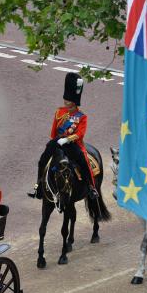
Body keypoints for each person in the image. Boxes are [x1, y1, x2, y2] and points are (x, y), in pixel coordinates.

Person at [35, 72, 98, 200]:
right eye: (65, 99)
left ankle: (91, 187)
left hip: (72, 144)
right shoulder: (59, 111)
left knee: (83, 161)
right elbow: (54, 130)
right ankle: (39, 185)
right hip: (57, 141)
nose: (65, 101)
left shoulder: (82, 117)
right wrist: (53, 141)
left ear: (74, 102)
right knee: (42, 160)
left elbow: (80, 134)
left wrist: (67, 139)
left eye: (68, 100)